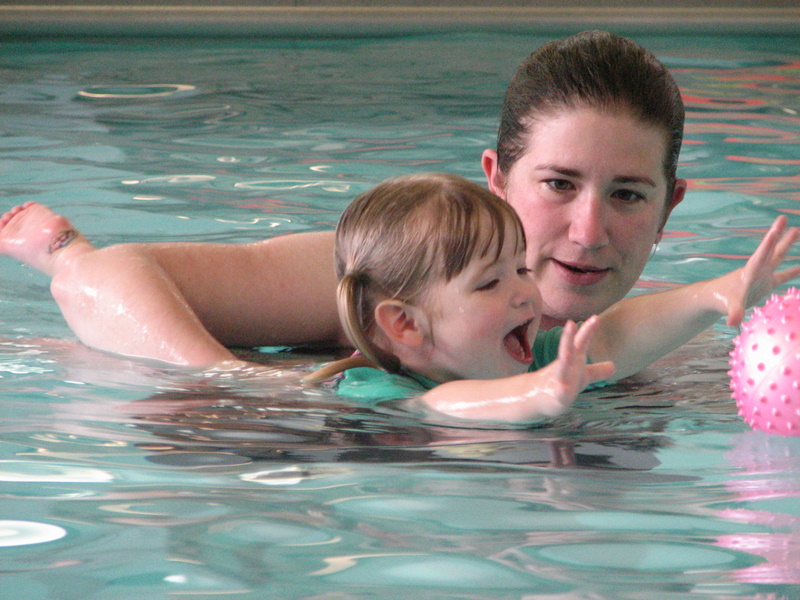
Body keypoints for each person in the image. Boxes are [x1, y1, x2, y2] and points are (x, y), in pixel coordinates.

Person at [3, 31, 688, 367]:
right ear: (497, 180)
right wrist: (233, 389)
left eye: (628, 194)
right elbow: (106, 278)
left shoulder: (669, 345)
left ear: (669, 209)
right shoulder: (402, 275)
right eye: (559, 185)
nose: (589, 230)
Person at [311, 172, 798, 424]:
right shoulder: (371, 392)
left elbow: (615, 335)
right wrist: (536, 394)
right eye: (489, 283)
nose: (525, 292)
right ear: (406, 325)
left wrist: (714, 294)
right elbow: (441, 405)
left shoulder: (526, 363)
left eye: (521, 268)